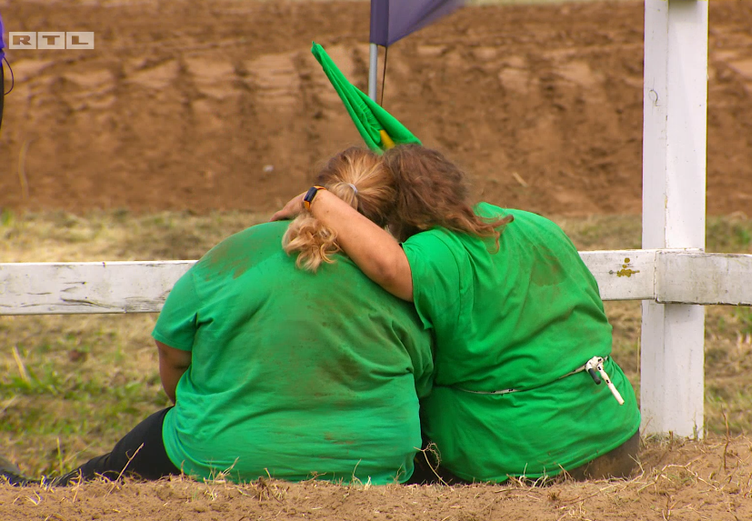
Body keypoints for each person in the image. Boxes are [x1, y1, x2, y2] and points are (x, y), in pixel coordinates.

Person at [1, 147, 433, 486]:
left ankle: (33, 493)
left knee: (112, 468)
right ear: (387, 215)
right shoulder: (406, 274)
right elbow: (423, 376)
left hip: (223, 452)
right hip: (373, 459)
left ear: (317, 193)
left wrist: (186, 402)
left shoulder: (237, 250)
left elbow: (171, 349)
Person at [272, 144, 641, 484]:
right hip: (617, 435)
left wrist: (316, 200)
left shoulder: (431, 255)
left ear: (390, 210)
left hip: (527, 459)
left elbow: (387, 265)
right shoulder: (534, 224)